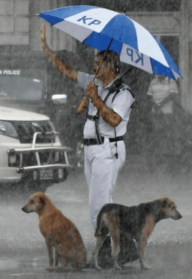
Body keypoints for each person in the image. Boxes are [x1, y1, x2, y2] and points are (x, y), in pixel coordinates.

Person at [40, 25, 134, 229]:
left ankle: (108, 247)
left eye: (97, 64)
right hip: (91, 149)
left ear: (110, 66)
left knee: (98, 204)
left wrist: (95, 98)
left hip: (108, 149)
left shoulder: (123, 93)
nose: (93, 68)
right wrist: (47, 49)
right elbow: (67, 71)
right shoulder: (94, 83)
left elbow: (114, 120)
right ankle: (111, 245)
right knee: (98, 202)